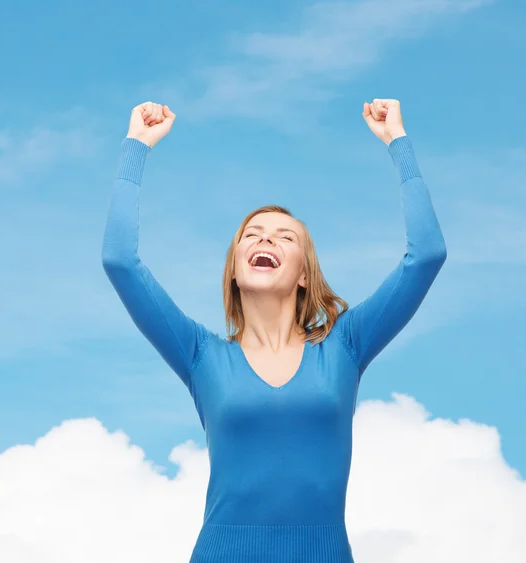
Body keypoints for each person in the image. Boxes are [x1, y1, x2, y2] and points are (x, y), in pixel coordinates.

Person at [101, 99, 447, 562]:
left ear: (304, 273)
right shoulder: (201, 355)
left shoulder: (344, 346)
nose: (265, 238)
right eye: (252, 233)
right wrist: (136, 147)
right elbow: (120, 261)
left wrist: (398, 142)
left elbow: (426, 255)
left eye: (285, 237)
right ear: (234, 271)